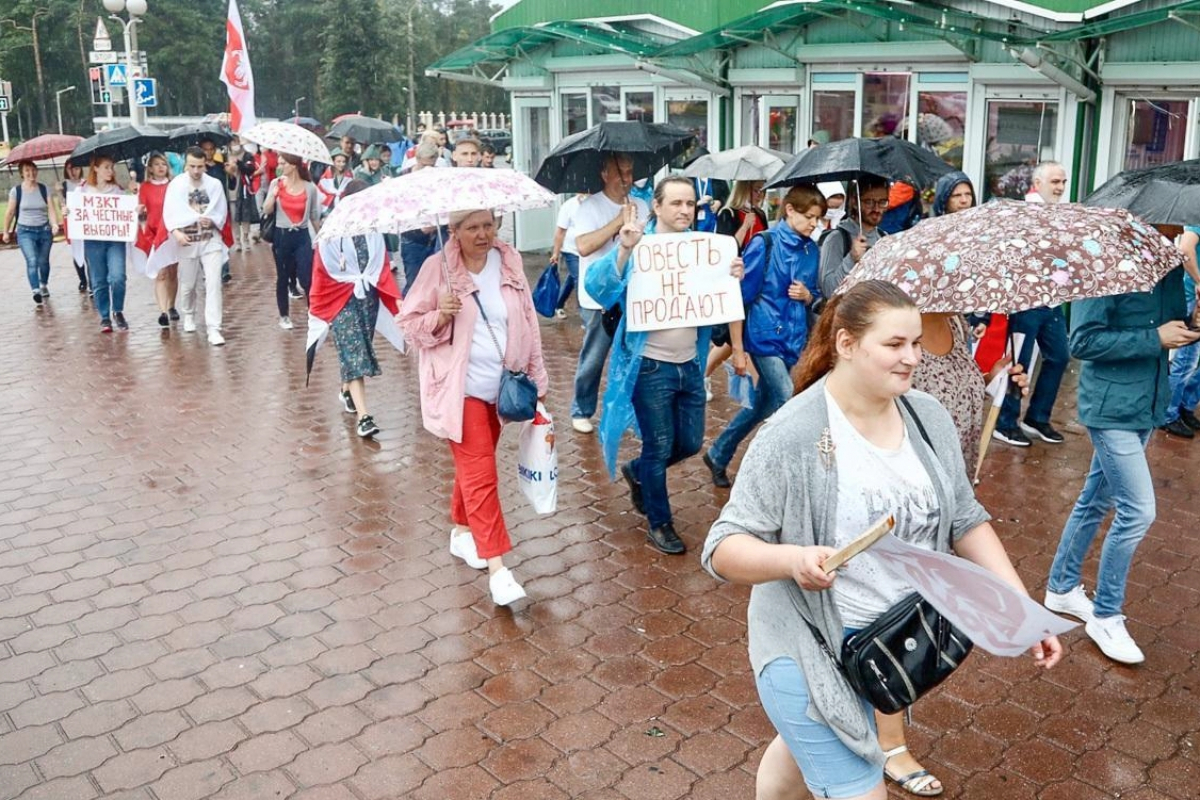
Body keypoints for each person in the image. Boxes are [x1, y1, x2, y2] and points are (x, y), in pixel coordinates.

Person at [702, 280, 1062, 800]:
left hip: (883, 650)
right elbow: (722, 548)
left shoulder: (926, 415)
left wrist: (1018, 609)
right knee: (855, 782)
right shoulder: (793, 434)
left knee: (796, 760)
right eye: (894, 345)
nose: (912, 357)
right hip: (809, 650)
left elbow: (966, 518)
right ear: (846, 344)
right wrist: (793, 559)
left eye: (916, 343)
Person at [1044, 260, 1199, 664]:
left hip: (1147, 403)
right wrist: (1154, 338)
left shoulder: (1167, 266)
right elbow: (1083, 341)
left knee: (1095, 500)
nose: (1177, 231)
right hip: (1109, 406)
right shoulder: (1100, 264)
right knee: (1138, 511)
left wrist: (1194, 318)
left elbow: (1172, 329)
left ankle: (1060, 587)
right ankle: (1106, 615)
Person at [585, 177, 744, 555]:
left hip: (690, 364)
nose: (684, 210)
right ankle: (660, 522)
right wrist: (623, 251)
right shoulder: (639, 246)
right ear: (656, 207)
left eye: (690, 203)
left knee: (688, 442)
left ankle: (637, 471)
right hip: (650, 367)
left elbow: (721, 300)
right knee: (658, 446)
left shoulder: (706, 248)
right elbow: (598, 289)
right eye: (675, 203)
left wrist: (731, 275)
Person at [399, 208, 548, 606]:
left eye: (488, 225)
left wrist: (539, 377)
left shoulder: (510, 259)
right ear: (455, 231)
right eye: (472, 228)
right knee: (482, 475)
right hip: (458, 389)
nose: (483, 234)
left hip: (501, 389)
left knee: (474, 468)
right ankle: (499, 569)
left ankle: (462, 532)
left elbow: (528, 321)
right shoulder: (437, 269)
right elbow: (408, 324)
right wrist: (438, 314)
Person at [703, 184, 825, 488]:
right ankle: (776, 473)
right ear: (790, 210)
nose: (814, 224)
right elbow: (741, 294)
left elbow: (818, 294)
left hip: (794, 338)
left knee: (763, 405)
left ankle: (718, 453)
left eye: (818, 218)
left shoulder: (813, 250)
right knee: (787, 401)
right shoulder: (765, 243)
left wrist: (809, 296)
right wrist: (739, 349)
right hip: (764, 336)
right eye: (809, 216)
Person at [309, 180, 404, 439]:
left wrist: (395, 299)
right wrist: (319, 305)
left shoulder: (374, 229)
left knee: (359, 347)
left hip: (368, 299)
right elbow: (321, 271)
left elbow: (381, 266)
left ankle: (345, 389)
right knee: (354, 351)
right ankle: (364, 416)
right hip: (341, 299)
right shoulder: (331, 232)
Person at [569, 153, 650, 434]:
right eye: (621, 173)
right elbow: (583, 246)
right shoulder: (589, 207)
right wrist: (617, 223)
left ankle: (628, 409)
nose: (627, 179)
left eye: (630, 172)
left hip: (631, 294)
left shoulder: (641, 204)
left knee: (633, 355)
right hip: (599, 297)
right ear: (605, 174)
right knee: (594, 356)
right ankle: (582, 408)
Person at [992, 161, 1071, 447]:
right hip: (1025, 302)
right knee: (1019, 364)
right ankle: (1005, 422)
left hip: (1051, 302)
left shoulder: (1059, 213)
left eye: (1063, 181)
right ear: (1037, 184)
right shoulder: (1024, 213)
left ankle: (1037, 417)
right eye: (1055, 182)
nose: (1060, 187)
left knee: (1060, 357)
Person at [164, 146, 230, 346]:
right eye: (192, 166)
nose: (196, 171)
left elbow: (221, 210)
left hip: (210, 240)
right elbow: (169, 213)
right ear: (186, 164)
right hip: (188, 240)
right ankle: (189, 313)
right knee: (188, 284)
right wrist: (176, 233)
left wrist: (213, 220)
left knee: (213, 283)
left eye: (200, 166)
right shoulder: (176, 185)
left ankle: (214, 328)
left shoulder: (214, 184)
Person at [262, 154, 321, 330]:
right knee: (283, 276)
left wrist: (321, 237)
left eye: (283, 163)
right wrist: (273, 195)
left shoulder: (310, 188)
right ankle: (284, 315)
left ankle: (314, 313)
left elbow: (314, 215)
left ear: (293, 165)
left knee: (307, 277)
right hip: (282, 235)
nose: (279, 167)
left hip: (301, 235)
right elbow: (266, 209)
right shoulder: (276, 183)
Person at [2, 160, 62, 309]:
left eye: (33, 170)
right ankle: (35, 290)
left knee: (43, 261)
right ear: (22, 173)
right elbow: (9, 213)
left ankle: (43, 284)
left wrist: (54, 224)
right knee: (32, 260)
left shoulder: (44, 189)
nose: (31, 173)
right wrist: (6, 231)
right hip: (25, 232)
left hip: (44, 231)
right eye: (27, 171)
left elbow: (51, 209)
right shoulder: (16, 191)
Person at [818, 177, 889, 299]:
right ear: (854, 202)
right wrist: (851, 258)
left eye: (882, 202)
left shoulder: (885, 238)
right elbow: (829, 291)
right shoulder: (837, 239)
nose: (877, 209)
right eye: (869, 202)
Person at [1159, 226, 1200, 438]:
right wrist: (1199, 281)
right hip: (1194, 297)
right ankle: (1169, 415)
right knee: (1186, 360)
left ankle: (1185, 405)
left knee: (1193, 361)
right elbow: (1185, 249)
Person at [81, 156, 129, 333]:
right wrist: (67, 210)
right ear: (96, 169)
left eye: (112, 167)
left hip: (114, 239)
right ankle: (105, 316)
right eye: (106, 167)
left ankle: (117, 310)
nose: (110, 171)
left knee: (118, 276)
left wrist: (134, 198)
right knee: (99, 279)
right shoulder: (84, 191)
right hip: (93, 241)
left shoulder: (117, 190)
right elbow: (76, 212)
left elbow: (129, 211)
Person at [134, 153, 178, 329]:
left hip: (171, 232)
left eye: (163, 164)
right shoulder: (145, 187)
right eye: (156, 164)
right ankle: (163, 311)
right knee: (161, 273)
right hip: (154, 233)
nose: (161, 167)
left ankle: (172, 304)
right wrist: (139, 209)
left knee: (173, 272)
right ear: (150, 168)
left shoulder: (173, 186)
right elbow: (141, 208)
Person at [399, 141, 443, 291]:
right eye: (424, 166)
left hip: (436, 238)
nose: (428, 170)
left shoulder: (439, 178)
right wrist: (418, 229)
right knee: (414, 285)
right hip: (412, 240)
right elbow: (398, 210)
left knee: (435, 285)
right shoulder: (403, 178)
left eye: (432, 166)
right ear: (417, 160)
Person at [549, 192, 586, 320]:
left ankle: (558, 304)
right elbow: (560, 232)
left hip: (586, 250)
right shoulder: (568, 206)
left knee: (572, 278)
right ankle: (586, 317)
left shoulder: (593, 205)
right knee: (580, 279)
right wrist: (556, 253)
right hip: (571, 250)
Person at [61, 163, 90, 294]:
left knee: (88, 251)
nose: (73, 172)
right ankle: (83, 279)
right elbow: (61, 204)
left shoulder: (86, 183)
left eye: (77, 168)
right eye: (70, 169)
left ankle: (92, 281)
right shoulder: (64, 185)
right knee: (76, 250)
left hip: (85, 220)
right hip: (71, 221)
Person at [228, 137, 259, 252]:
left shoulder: (247, 155)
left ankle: (245, 239)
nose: (234, 145)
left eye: (236, 142)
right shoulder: (225, 155)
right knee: (234, 218)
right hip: (231, 191)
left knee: (245, 216)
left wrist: (239, 163)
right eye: (232, 142)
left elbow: (250, 169)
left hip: (244, 190)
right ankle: (237, 241)